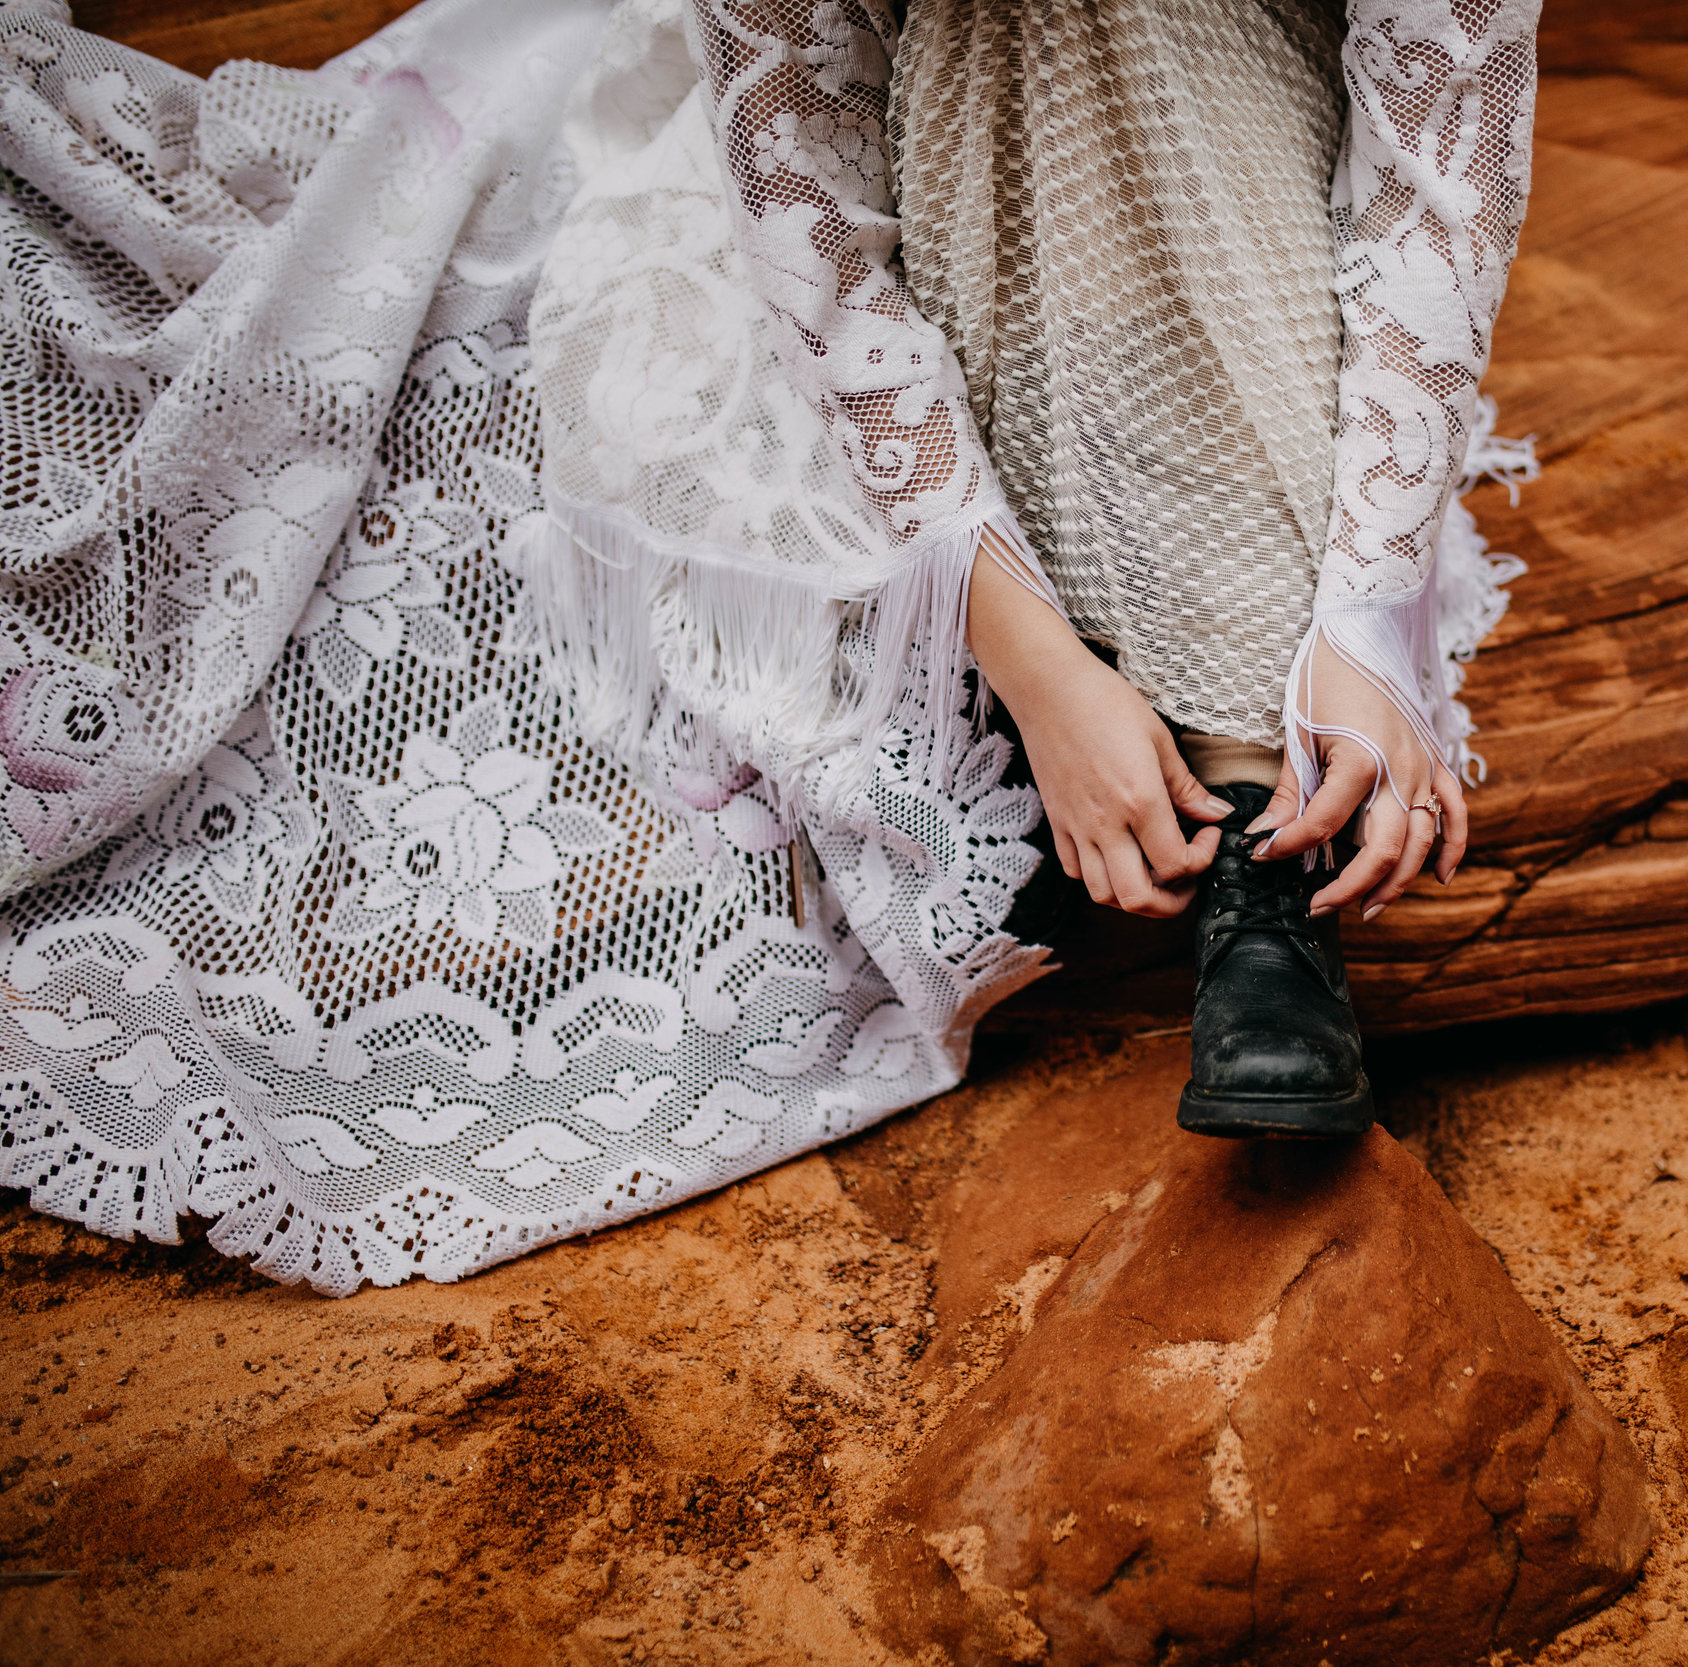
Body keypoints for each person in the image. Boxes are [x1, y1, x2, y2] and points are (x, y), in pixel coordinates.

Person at [0, 0, 1535, 1289]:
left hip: (1240, 171)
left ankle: (1256, 801)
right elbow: (812, 221)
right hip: (864, 162)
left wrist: (1372, 616)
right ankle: (1209, 761)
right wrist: (1028, 662)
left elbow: (1436, 173)